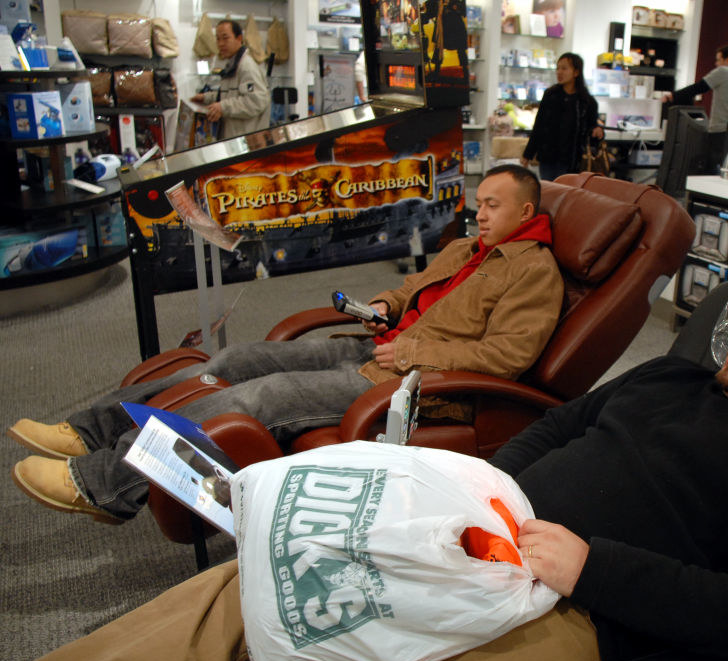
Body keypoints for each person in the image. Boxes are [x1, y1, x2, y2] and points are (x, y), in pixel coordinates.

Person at [8, 266, 728, 661]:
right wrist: (475, 493)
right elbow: (560, 425)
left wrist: (590, 566)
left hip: (575, 610)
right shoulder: (673, 375)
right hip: (476, 531)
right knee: (253, 580)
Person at [9, 165, 563, 526]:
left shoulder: (535, 272)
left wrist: (418, 356)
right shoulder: (467, 248)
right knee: (235, 360)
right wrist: (388, 305)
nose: (480, 213)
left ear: (526, 212)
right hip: (378, 347)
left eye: (493, 205)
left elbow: (508, 358)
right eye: (479, 201)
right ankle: (89, 431)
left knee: (264, 397)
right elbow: (413, 289)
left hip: (413, 384)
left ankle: (105, 484)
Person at [662, 45, 728, 165]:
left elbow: (699, 87)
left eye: (718, 60)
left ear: (727, 60)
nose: (716, 63)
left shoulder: (722, 71)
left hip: (720, 127)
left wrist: (673, 95)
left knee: (713, 163)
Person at [520, 52, 604, 181]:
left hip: (573, 159)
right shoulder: (550, 95)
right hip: (548, 157)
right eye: (558, 68)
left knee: (566, 194)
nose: (559, 72)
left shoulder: (587, 101)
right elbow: (539, 126)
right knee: (549, 192)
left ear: (576, 72)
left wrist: (597, 131)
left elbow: (592, 130)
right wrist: (528, 154)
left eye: (564, 68)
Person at [190, 20, 270, 140]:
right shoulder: (233, 65)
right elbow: (231, 93)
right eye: (217, 39)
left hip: (246, 143)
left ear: (239, 38)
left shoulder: (247, 66)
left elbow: (256, 102)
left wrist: (222, 107)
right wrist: (206, 97)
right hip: (233, 139)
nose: (220, 44)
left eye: (225, 38)